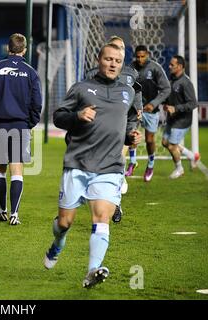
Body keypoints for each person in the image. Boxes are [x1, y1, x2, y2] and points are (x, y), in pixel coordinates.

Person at [43, 43, 142, 288]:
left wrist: (131, 135)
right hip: (78, 164)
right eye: (108, 59)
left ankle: (92, 271)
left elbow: (129, 118)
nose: (112, 64)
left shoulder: (127, 92)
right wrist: (78, 116)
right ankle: (57, 244)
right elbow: (58, 117)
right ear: (99, 60)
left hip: (110, 166)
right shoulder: (81, 88)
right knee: (65, 222)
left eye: (117, 61)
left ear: (122, 64)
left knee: (101, 218)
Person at [0, 33, 42, 225]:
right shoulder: (30, 72)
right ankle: (14, 214)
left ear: (8, 48)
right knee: (17, 170)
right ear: (25, 49)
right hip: (20, 125)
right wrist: (30, 123)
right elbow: (36, 102)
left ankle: (2, 210)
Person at [85, 36, 143, 223]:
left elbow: (137, 90)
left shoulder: (131, 73)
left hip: (124, 122)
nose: (119, 51)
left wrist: (139, 107)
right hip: (100, 126)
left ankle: (115, 203)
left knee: (116, 159)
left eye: (122, 48)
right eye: (115, 48)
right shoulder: (92, 74)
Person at [126, 45, 171, 182]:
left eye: (143, 56)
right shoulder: (130, 68)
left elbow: (166, 89)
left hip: (151, 110)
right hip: (134, 109)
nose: (140, 59)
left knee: (149, 140)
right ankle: (132, 162)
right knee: (132, 136)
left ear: (148, 55)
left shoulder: (155, 68)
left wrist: (154, 103)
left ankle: (150, 165)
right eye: (138, 57)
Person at [162, 55, 200, 179]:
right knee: (165, 142)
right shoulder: (172, 79)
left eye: (172, 65)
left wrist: (176, 108)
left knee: (172, 146)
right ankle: (192, 156)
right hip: (172, 118)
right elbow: (172, 97)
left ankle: (179, 169)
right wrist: (166, 104)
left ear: (180, 66)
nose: (169, 66)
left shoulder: (186, 82)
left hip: (182, 120)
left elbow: (193, 103)